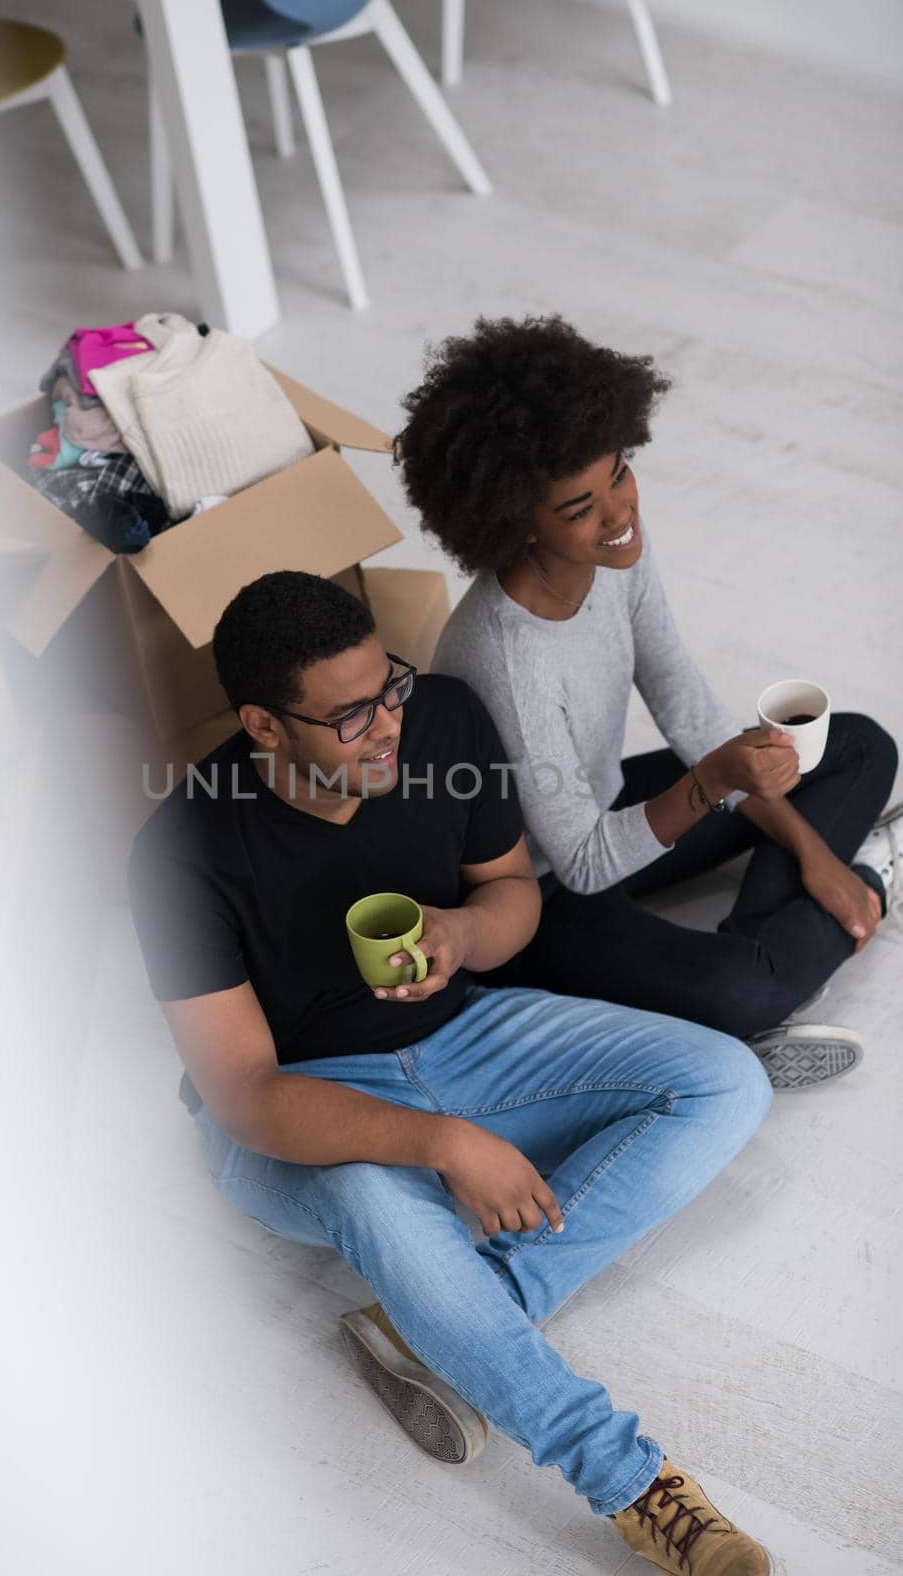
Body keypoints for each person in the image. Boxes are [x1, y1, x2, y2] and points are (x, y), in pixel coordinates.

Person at [129, 570, 780, 1574]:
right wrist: (443, 1140)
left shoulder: (439, 722)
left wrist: (469, 931)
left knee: (729, 1080)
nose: (388, 725)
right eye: (348, 716)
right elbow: (246, 1097)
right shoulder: (181, 847)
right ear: (264, 722)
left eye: (386, 686)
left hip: (464, 1031)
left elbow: (510, 888)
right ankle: (634, 1483)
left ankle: (433, 1319)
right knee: (373, 1199)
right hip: (299, 1101)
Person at [396, 315, 900, 1090]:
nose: (619, 512)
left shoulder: (618, 547)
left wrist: (812, 852)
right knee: (738, 990)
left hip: (604, 803)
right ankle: (859, 894)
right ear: (511, 522)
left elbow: (684, 701)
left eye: (620, 471)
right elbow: (587, 862)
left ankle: (792, 927)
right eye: (579, 508)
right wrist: (717, 785)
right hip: (537, 888)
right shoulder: (502, 659)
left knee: (860, 745)